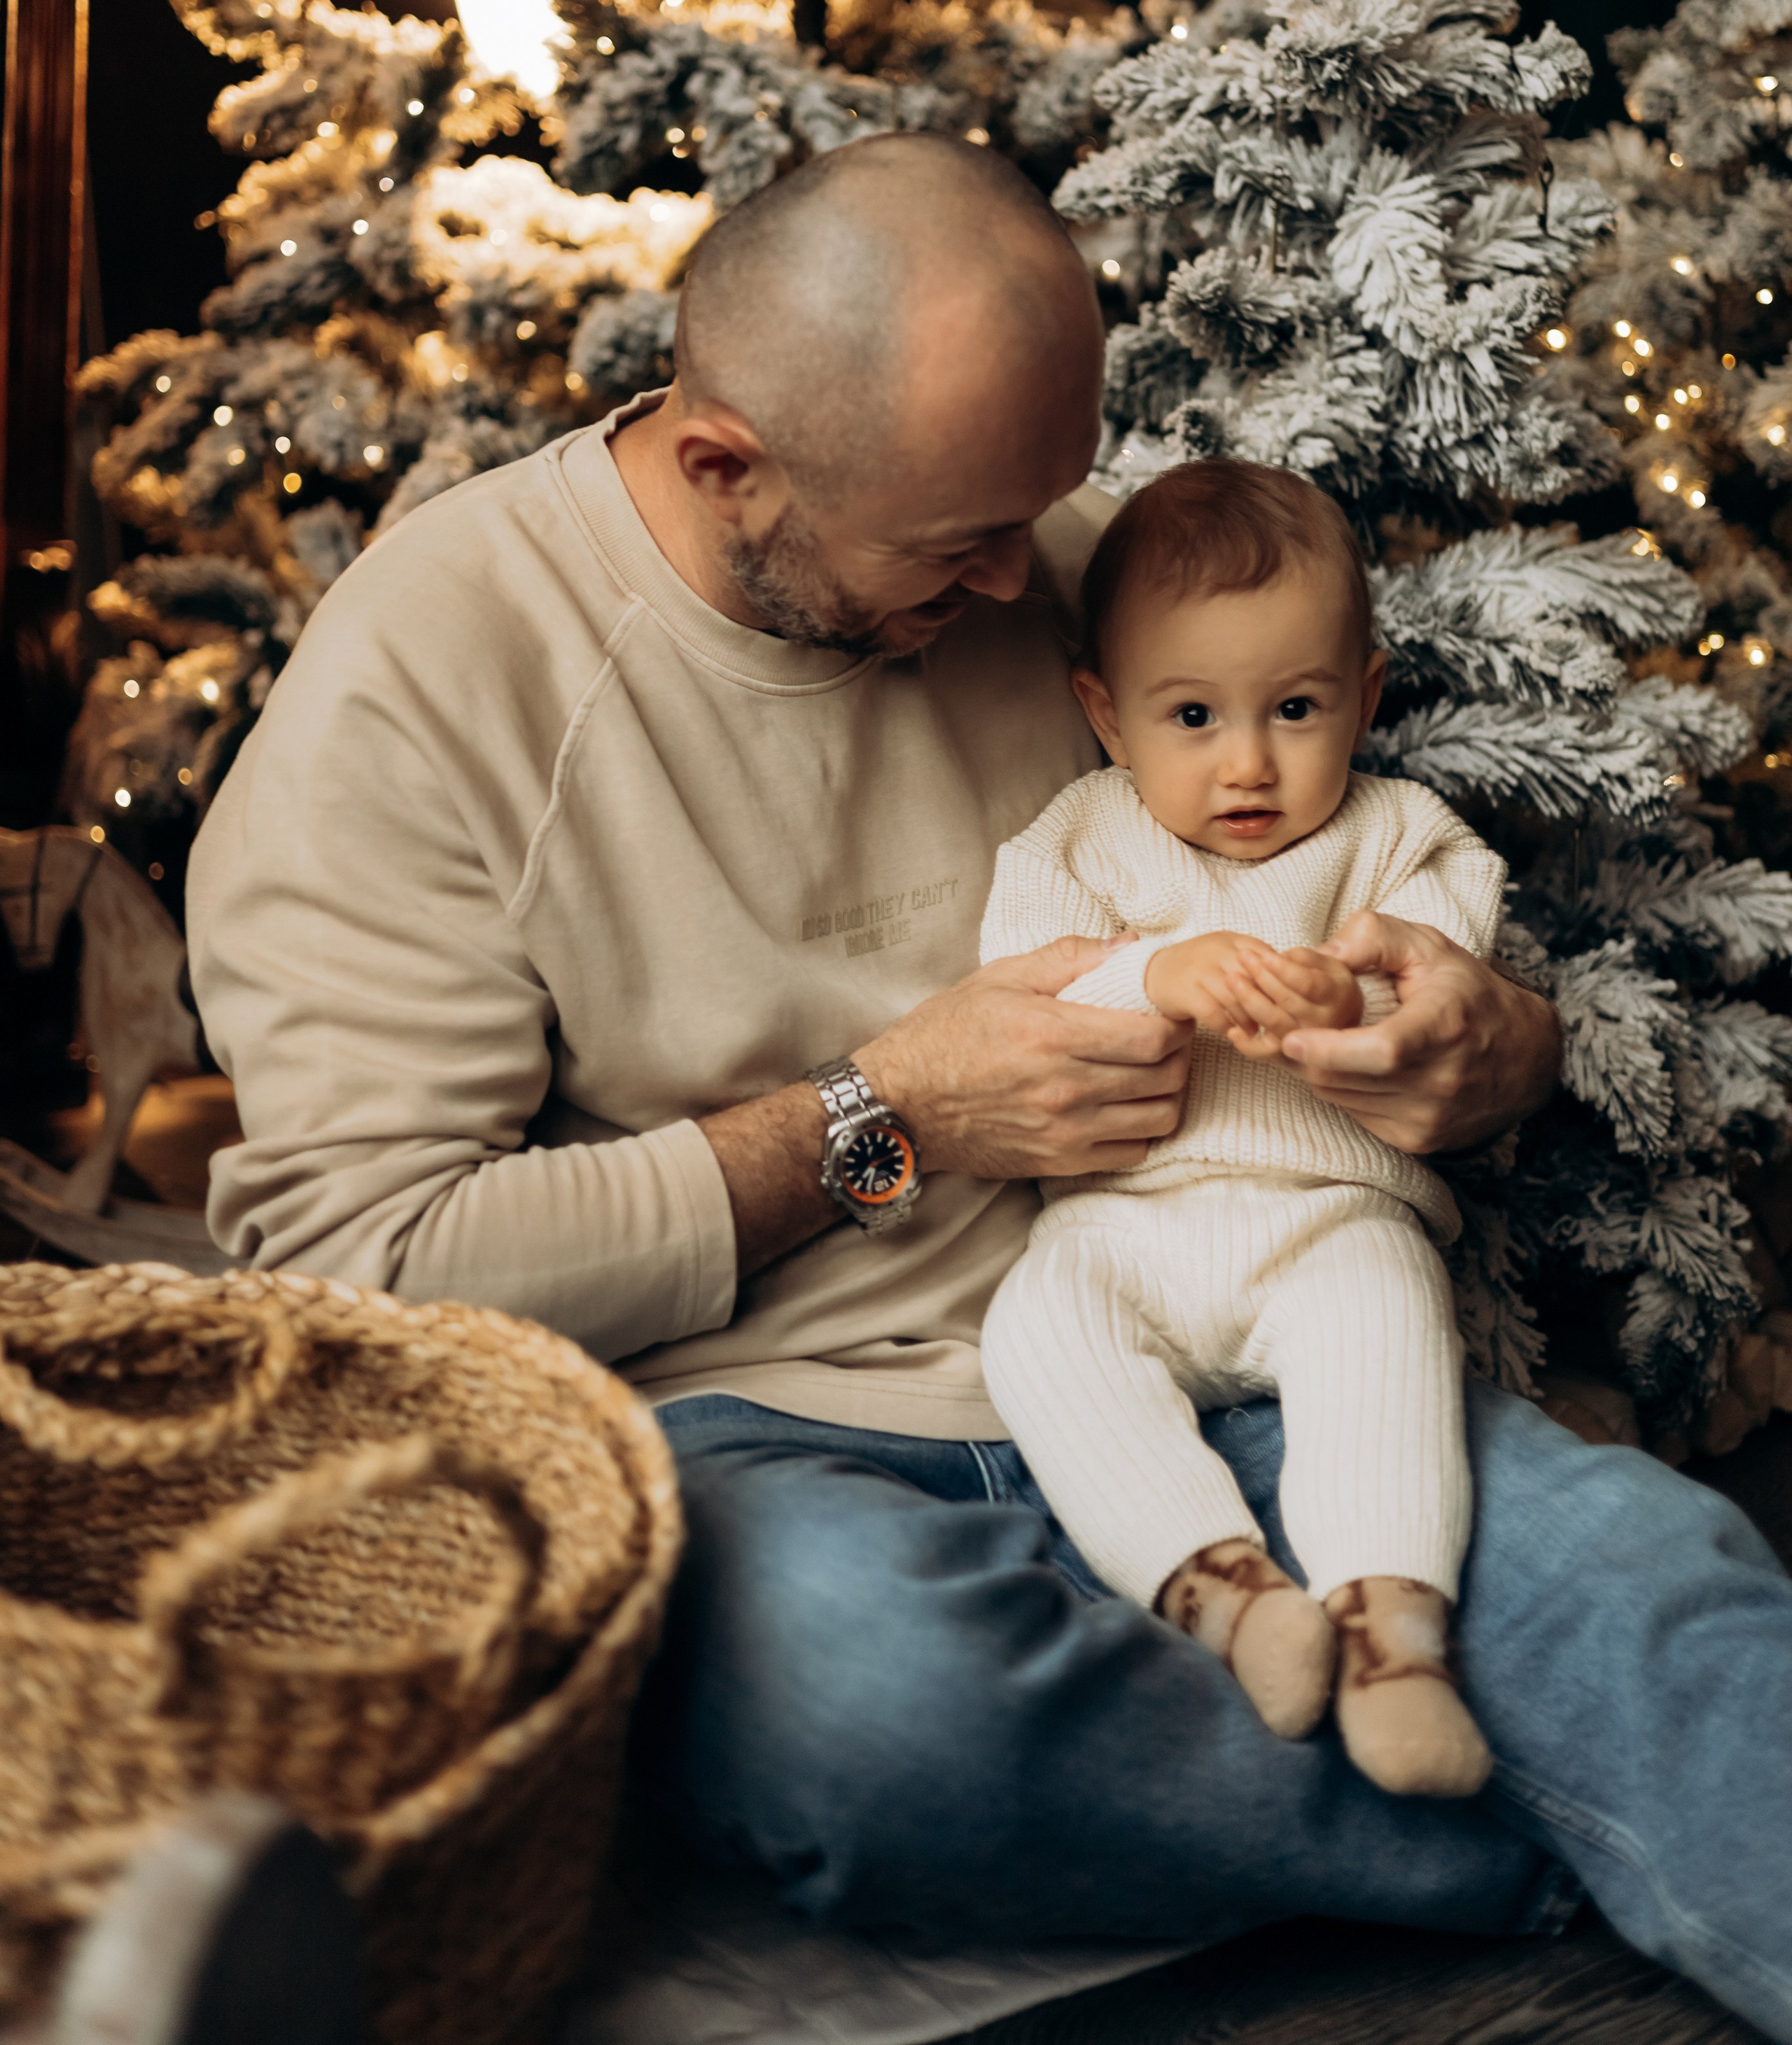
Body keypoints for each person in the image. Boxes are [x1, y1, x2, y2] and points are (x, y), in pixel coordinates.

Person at [188, 135, 1792, 2044]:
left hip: (1226, 1324)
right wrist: (885, 1122)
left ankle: (1554, 1773)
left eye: (1039, 513)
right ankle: (1564, 1843)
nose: (1027, 580)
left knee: (1658, 1575)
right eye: (958, 547)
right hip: (763, 1434)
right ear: (727, 466)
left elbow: (1349, 870)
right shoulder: (425, 691)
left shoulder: (1041, 556)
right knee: (864, 1713)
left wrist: (1487, 1046)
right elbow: (361, 1285)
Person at [978, 458, 1507, 1799]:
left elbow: (1447, 978)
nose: (1250, 762)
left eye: (1297, 708)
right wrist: (1152, 975)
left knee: (1386, 1328)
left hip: (1324, 1219)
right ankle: (1223, 1592)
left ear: (1367, 697)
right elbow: (1019, 986)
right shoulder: (1079, 840)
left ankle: (1393, 1635)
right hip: (1123, 1231)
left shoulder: (1399, 835)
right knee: (1038, 1332)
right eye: (1195, 715)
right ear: (1105, 714)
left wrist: (1362, 986)